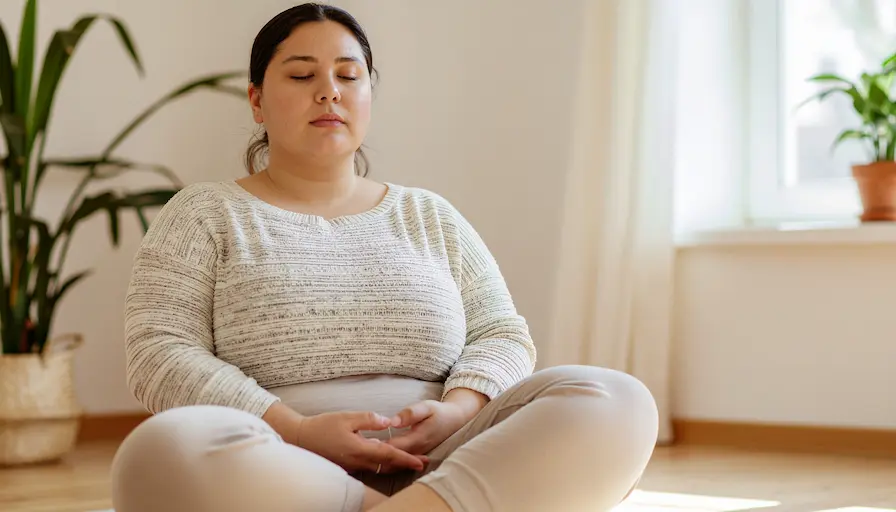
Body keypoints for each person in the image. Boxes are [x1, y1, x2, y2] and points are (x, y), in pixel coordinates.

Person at [110, 3, 659, 511]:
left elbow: (502, 334)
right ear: (256, 99)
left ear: (369, 93)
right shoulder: (204, 213)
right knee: (165, 449)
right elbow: (160, 354)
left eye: (349, 76)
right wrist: (296, 431)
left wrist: (459, 411)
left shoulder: (428, 214)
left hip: (450, 457)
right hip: (284, 462)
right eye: (302, 75)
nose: (329, 92)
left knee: (616, 398)